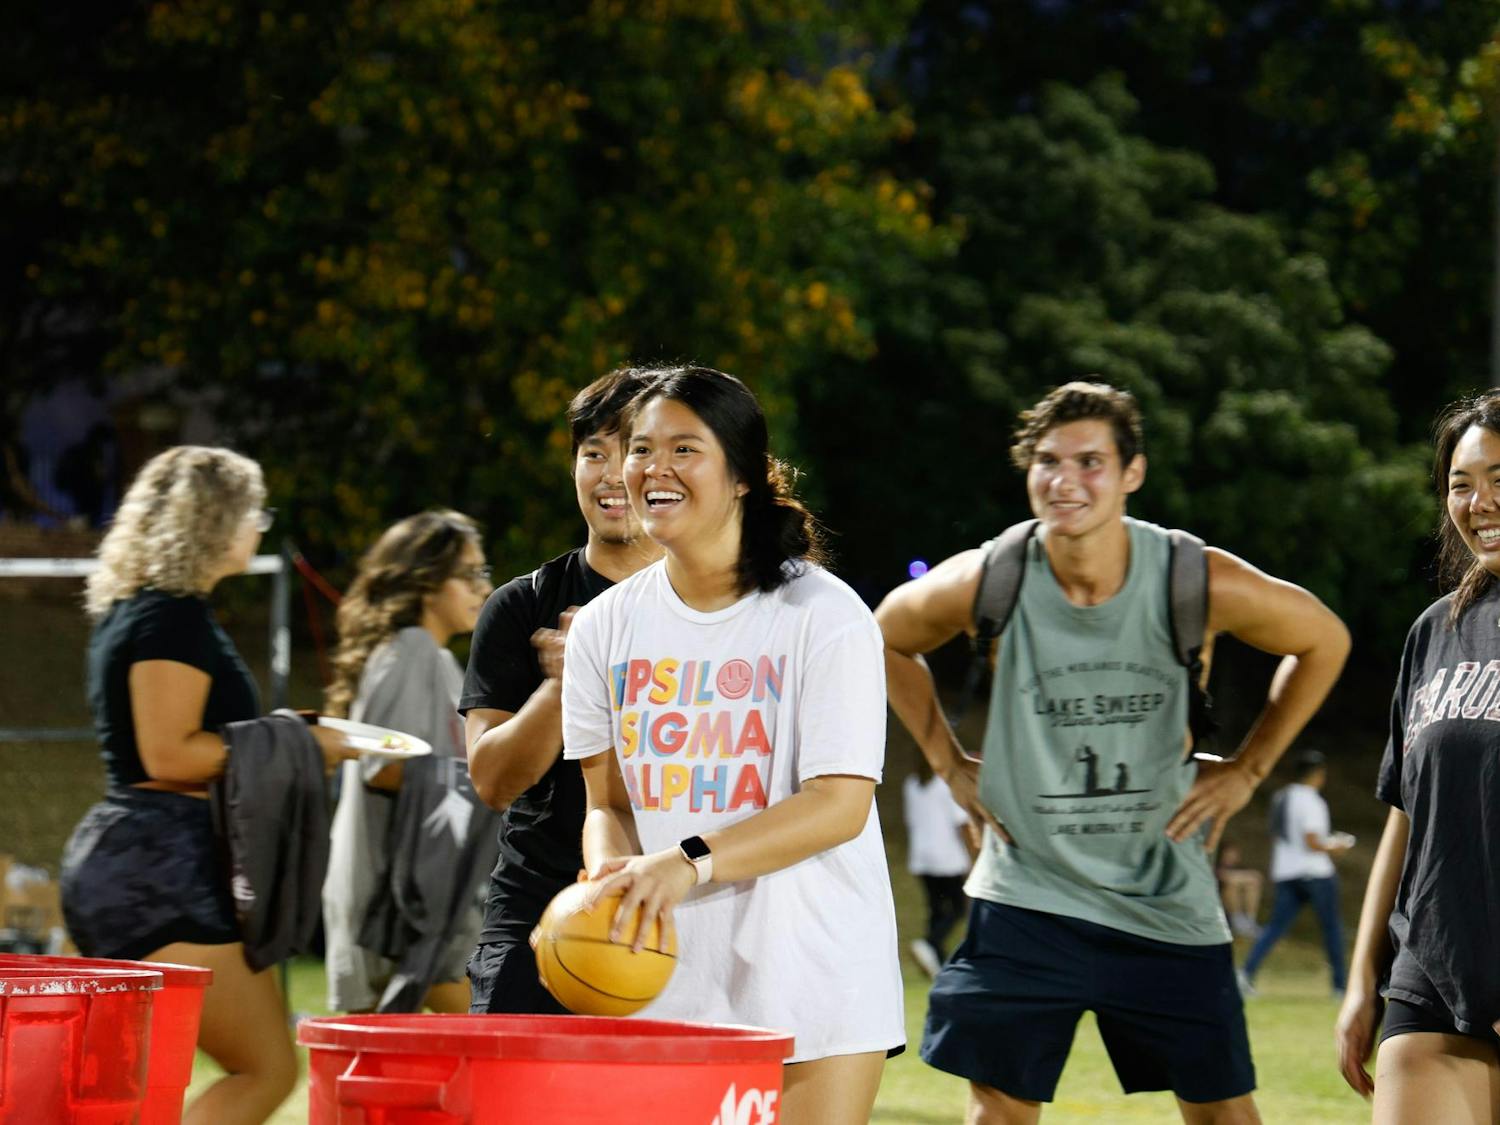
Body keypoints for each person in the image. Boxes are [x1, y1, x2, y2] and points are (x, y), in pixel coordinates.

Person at [876, 381, 1350, 1124]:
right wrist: (948, 760)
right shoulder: (993, 575)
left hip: (1163, 895)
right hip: (1025, 892)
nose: (1066, 480)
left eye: (1090, 462)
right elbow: (887, 636)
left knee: (1223, 1110)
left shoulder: (1190, 576)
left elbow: (1323, 639)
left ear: (1133, 473)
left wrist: (1252, 769)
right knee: (997, 1109)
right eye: (1048, 461)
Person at [562, 366, 905, 1125]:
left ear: (744, 474)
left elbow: (839, 805)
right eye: (641, 449)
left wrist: (686, 861)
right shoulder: (603, 626)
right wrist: (606, 882)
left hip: (813, 972)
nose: (654, 468)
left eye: (686, 448)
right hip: (664, 975)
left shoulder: (824, 614)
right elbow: (608, 801)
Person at [58, 446, 359, 1125]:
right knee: (266, 1067)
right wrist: (294, 744)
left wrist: (284, 736)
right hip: (160, 867)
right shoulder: (171, 617)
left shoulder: (140, 611)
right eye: (254, 511)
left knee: (138, 1089)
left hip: (140, 861)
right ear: (215, 521)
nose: (260, 525)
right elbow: (168, 751)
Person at [461, 367, 663, 1013]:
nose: (608, 475)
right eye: (591, 453)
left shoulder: (715, 606)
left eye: (628, 451)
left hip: (678, 906)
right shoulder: (521, 606)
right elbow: (492, 781)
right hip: (539, 909)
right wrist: (565, 680)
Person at [1336, 390, 1500, 1119]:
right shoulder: (1436, 631)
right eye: (1462, 484)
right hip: (1434, 965)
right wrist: (1361, 981)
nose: (1480, 501)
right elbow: (1407, 820)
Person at [322, 510, 495, 1014]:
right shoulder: (409, 649)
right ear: (424, 581)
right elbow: (385, 765)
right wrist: (482, 782)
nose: (482, 588)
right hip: (394, 904)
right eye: (469, 573)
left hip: (421, 901)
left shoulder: (438, 659)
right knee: (486, 1038)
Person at [1236, 750, 1350, 997]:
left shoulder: (1282, 797)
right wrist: (1336, 846)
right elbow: (1312, 841)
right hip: (1315, 872)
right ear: (1317, 775)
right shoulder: (1311, 800)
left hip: (1287, 872)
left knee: (1275, 927)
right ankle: (1340, 986)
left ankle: (1246, 974)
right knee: (1331, 928)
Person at [903, 754, 975, 978]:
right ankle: (929, 943)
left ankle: (939, 963)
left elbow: (910, 820)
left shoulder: (912, 784)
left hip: (922, 857)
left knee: (936, 909)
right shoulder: (946, 784)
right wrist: (972, 856)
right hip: (947, 857)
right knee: (957, 909)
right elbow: (961, 823)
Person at [1214, 840, 1265, 939]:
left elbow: (1258, 878)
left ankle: (1249, 921)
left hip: (1241, 906)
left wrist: (1247, 877)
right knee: (1232, 886)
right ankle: (1238, 923)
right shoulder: (1216, 866)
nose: (1231, 856)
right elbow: (1226, 877)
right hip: (1221, 908)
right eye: (1229, 853)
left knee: (1251, 886)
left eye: (1234, 854)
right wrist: (1248, 877)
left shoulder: (1240, 867)